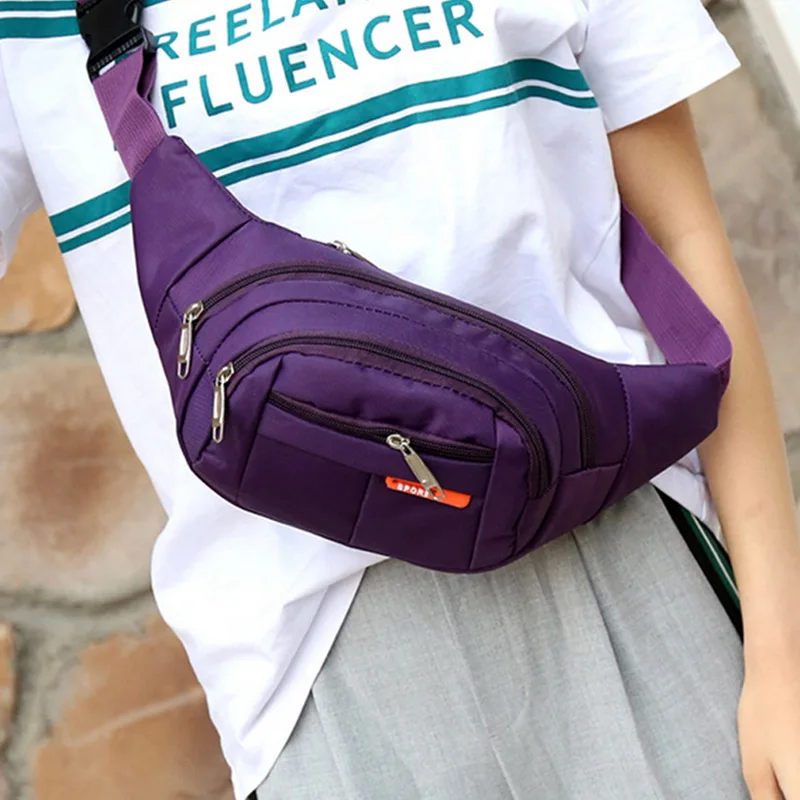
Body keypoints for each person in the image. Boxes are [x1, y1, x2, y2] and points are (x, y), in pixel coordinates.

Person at [1, 0, 799, 797]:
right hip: (313, 670)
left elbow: (686, 246)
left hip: (625, 567)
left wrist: (781, 651)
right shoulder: (27, 27)